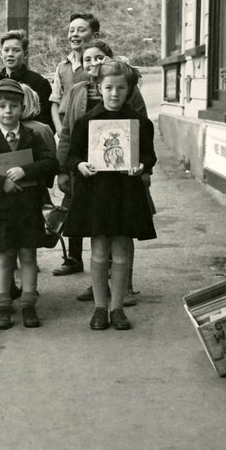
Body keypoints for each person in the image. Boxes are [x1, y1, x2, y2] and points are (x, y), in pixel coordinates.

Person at [63, 57, 157, 331]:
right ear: (98, 87)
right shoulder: (86, 122)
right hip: (97, 194)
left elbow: (149, 155)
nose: (114, 94)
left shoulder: (139, 123)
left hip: (126, 194)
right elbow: (73, 156)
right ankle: (99, 307)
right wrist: (80, 165)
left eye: (120, 88)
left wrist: (142, 165)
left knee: (121, 251)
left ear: (129, 90)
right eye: (109, 88)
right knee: (100, 251)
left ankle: (117, 308)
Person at [0, 78, 59, 330]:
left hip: (28, 209)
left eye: (14, 107)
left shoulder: (33, 137)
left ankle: (28, 305)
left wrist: (25, 171)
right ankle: (3, 306)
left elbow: (51, 163)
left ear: (22, 109)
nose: (8, 112)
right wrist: (2, 183)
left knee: (28, 255)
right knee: (5, 256)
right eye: (2, 107)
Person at [55, 40, 148, 286]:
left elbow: (141, 135)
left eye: (99, 58)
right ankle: (97, 288)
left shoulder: (125, 91)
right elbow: (68, 134)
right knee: (96, 234)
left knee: (121, 238)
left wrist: (143, 167)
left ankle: (122, 286)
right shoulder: (78, 93)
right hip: (94, 179)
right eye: (87, 59)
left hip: (124, 179)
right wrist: (66, 168)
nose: (93, 63)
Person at [0, 30, 54, 128]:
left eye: (16, 50)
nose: (10, 54)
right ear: (1, 54)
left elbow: (47, 123)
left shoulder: (39, 83)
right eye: (6, 50)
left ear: (25, 54)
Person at [50, 12, 99, 136]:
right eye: (71, 31)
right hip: (66, 130)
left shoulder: (103, 64)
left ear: (95, 36)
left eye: (81, 30)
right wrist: (59, 128)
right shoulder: (62, 67)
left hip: (94, 128)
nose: (74, 34)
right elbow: (55, 102)